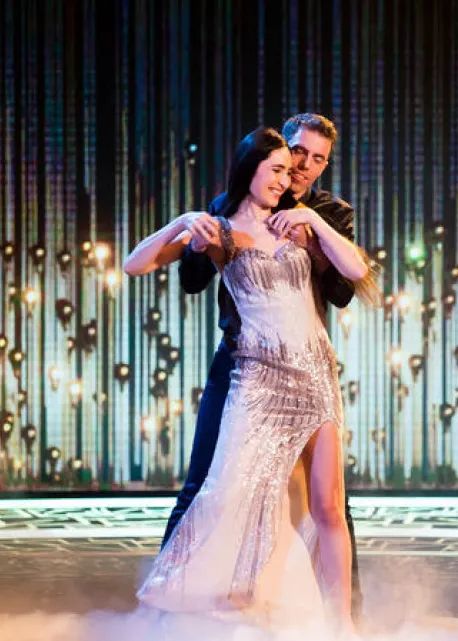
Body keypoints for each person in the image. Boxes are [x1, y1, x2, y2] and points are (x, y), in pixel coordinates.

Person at [122, 126, 370, 634]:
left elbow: (354, 272)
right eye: (282, 165)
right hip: (255, 372)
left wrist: (312, 223)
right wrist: (182, 222)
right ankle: (191, 607)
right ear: (252, 168)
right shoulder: (221, 227)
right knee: (226, 490)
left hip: (315, 375)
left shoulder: (307, 217)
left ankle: (345, 624)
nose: (293, 173)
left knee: (330, 506)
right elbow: (135, 265)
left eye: (310, 161)